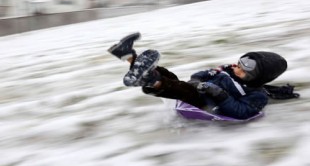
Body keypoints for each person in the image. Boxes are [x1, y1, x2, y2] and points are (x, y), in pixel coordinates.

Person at [108, 32, 289, 120]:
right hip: (197, 89)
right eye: (241, 61)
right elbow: (203, 73)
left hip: (210, 105)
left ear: (258, 78)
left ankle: (151, 80)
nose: (238, 67)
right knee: (171, 76)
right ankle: (130, 57)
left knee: (182, 89)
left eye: (245, 68)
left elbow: (242, 112)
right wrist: (197, 79)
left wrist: (219, 94)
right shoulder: (228, 68)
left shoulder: (257, 95)